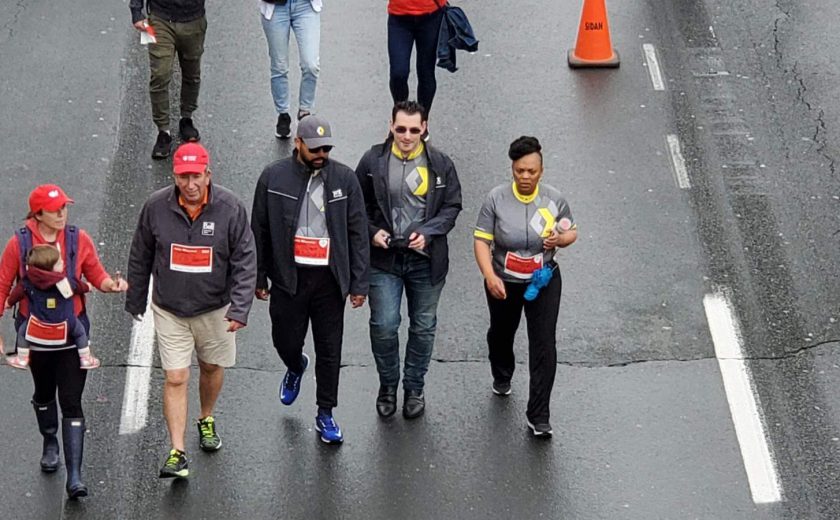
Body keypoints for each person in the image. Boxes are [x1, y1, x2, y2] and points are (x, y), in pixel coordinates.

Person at [126, 142, 257, 478]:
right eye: (183, 177)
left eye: (196, 176)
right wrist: (136, 300)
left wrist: (239, 308)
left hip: (215, 308)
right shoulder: (155, 207)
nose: (190, 184)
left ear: (208, 174)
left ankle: (206, 416)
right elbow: (140, 254)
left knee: (211, 367)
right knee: (176, 377)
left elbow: (245, 260)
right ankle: (177, 452)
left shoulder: (230, 208)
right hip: (169, 309)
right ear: (175, 176)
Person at [0, 184, 128, 498]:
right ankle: (49, 440)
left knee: (71, 401)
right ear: (37, 214)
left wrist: (110, 284)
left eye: (64, 208)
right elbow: (3, 287)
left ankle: (75, 477)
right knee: (44, 393)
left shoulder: (77, 239)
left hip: (72, 336)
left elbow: (95, 273)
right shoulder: (18, 244)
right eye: (55, 210)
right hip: (36, 337)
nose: (62, 214)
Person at [252, 115, 369, 444]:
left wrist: (359, 283)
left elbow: (358, 233)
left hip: (329, 280)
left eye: (326, 148)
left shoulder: (345, 179)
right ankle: (295, 364)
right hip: (289, 278)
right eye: (315, 148)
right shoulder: (273, 177)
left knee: (330, 349)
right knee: (285, 340)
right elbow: (258, 229)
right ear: (298, 144)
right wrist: (259, 276)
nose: (321, 154)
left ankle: (325, 412)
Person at [355, 100, 462, 419]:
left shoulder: (440, 163)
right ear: (390, 126)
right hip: (384, 260)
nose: (407, 136)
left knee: (424, 326)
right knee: (384, 325)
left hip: (425, 261)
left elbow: (452, 206)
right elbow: (354, 206)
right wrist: (373, 231)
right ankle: (388, 385)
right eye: (401, 129)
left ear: (425, 128)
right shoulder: (373, 160)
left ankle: (414, 387)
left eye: (414, 130)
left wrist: (428, 232)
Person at [473, 136, 578, 438]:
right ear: (512, 170)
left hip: (543, 279)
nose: (526, 177)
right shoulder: (496, 199)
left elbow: (572, 231)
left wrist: (560, 240)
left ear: (541, 171)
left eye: (531, 171)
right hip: (504, 281)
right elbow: (481, 240)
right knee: (502, 333)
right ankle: (502, 373)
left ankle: (539, 414)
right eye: (520, 171)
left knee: (544, 343)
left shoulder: (554, 199)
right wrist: (489, 275)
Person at [129, 0, 207, 159]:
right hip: (159, 19)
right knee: (160, 75)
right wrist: (136, 11)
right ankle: (163, 131)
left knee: (192, 73)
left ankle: (186, 118)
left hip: (194, 20)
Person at [6, 244, 100, 371]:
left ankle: (22, 358)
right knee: (80, 332)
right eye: (59, 262)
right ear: (51, 267)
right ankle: (85, 358)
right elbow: (78, 287)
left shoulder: (27, 281)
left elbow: (16, 294)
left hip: (37, 323)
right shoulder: (64, 281)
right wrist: (89, 286)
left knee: (22, 332)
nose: (62, 262)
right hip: (65, 323)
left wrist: (9, 303)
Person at [258, 0, 322, 139]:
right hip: (275, 7)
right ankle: (283, 114)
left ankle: (305, 111)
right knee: (279, 67)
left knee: (311, 65)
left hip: (305, 7)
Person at [387, 0, 445, 130]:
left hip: (431, 16)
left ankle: (421, 123)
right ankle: (401, 120)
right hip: (399, 17)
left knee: (426, 73)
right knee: (398, 74)